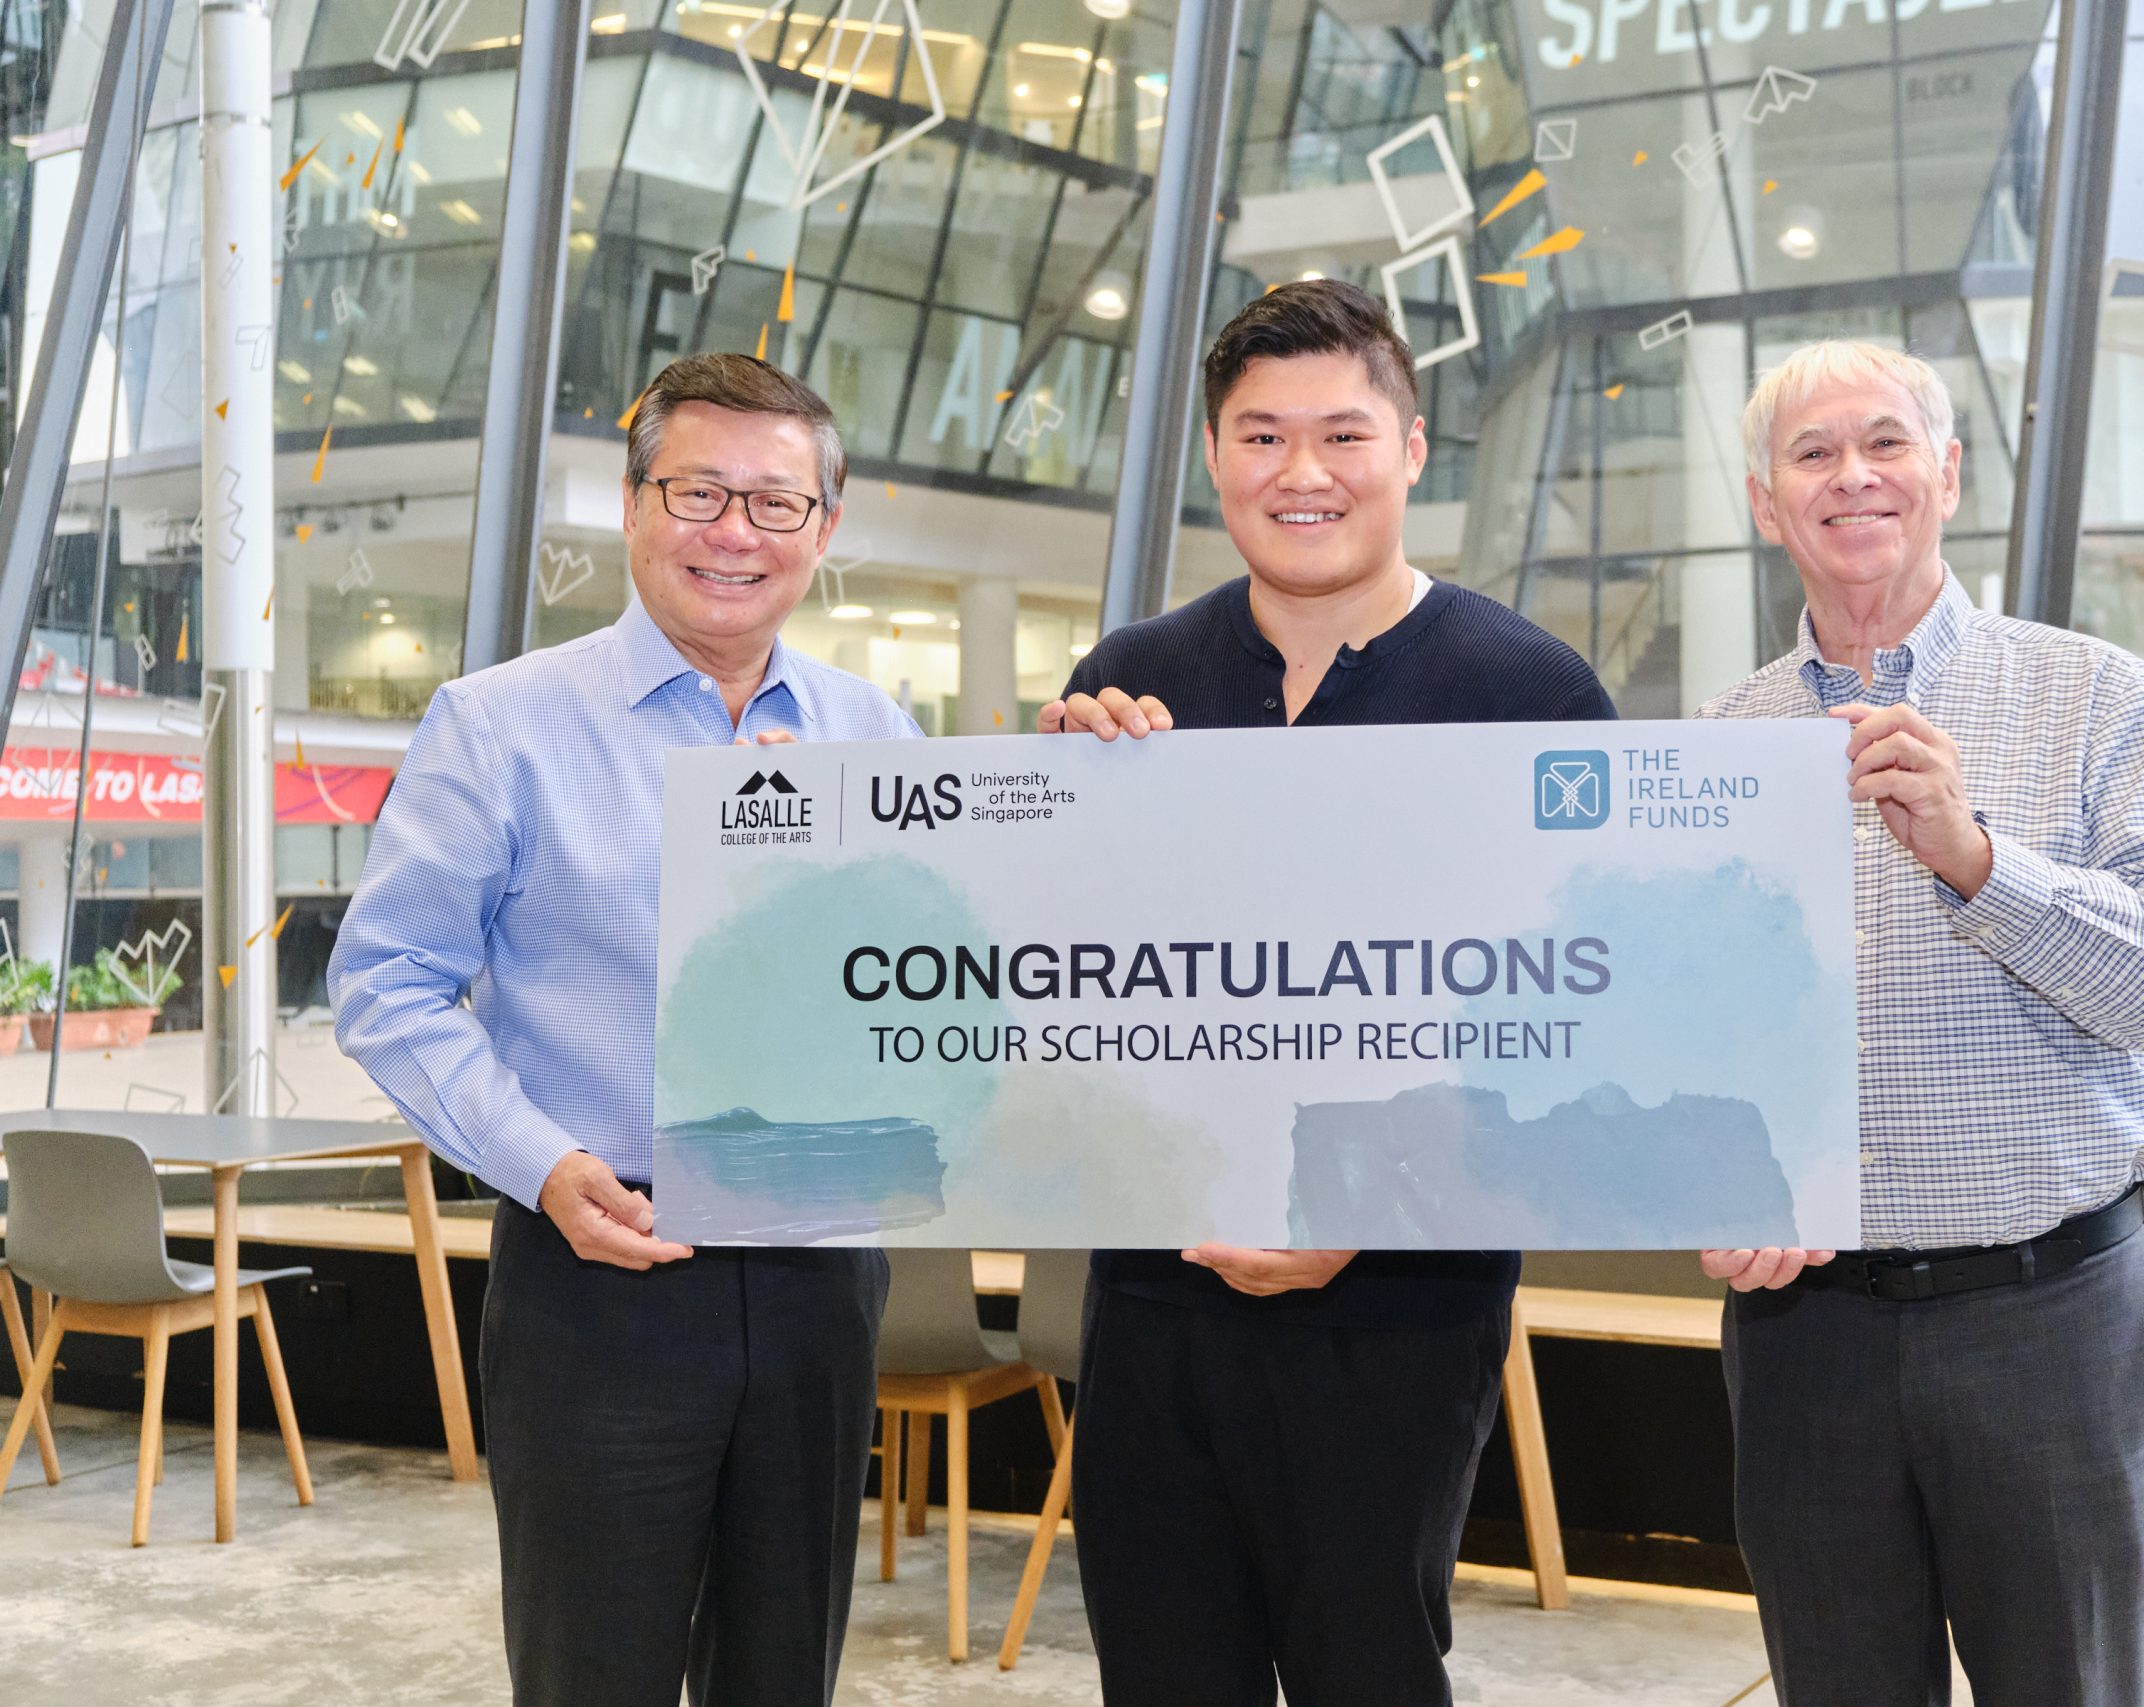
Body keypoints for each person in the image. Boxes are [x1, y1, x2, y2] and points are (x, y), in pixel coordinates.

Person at [1038, 278, 1615, 1705]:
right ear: (1215, 459)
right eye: (1260, 437)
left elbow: (1578, 1021)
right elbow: (1060, 999)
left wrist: (1366, 1212)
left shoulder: (1530, 696)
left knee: (1370, 1669)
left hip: (1403, 1312)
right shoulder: (1129, 686)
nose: (1302, 474)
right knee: (1161, 1670)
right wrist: (1042, 810)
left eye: (1343, 435)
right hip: (1153, 1300)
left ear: (1413, 450)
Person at [330, 354, 921, 1707]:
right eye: (699, 490)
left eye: (775, 504)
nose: (735, 532)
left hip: (821, 1276)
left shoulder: (874, 734)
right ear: (633, 504)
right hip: (600, 1274)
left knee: (786, 1672)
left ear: (824, 530)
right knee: (593, 1670)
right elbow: (389, 979)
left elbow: (939, 974)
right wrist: (541, 1164)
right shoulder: (500, 727)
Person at [1694, 339, 2144, 1707]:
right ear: (1767, 504)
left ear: (1947, 472)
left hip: (2047, 1322)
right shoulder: (1718, 746)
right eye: (1812, 454)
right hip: (1803, 1340)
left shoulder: (2095, 696)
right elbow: (1691, 1044)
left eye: (1884, 442)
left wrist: (1977, 856)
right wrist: (1715, 1170)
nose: (1852, 476)